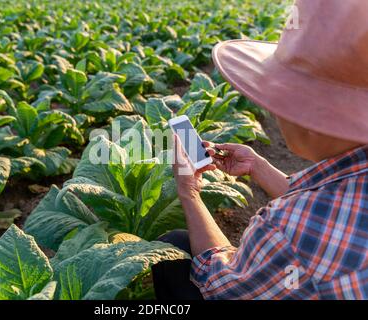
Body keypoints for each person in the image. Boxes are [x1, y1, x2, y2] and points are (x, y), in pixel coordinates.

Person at [152, 0, 368, 300]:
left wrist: (188, 192)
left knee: (174, 249)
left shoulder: (288, 229)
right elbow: (331, 207)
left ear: (312, 118)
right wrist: (257, 165)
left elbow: (220, 286)